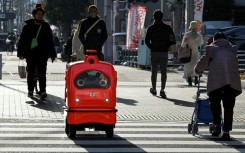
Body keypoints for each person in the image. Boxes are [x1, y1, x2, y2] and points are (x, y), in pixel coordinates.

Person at [194, 32, 242, 141]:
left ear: (215, 39)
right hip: (231, 82)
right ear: (225, 39)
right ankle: (226, 131)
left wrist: (197, 71)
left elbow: (202, 63)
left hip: (216, 81)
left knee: (214, 104)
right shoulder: (232, 49)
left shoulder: (212, 49)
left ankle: (217, 126)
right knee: (229, 107)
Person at [17, 4, 56, 99]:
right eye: (38, 14)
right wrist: (20, 53)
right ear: (34, 15)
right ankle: (30, 90)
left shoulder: (46, 26)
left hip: (43, 54)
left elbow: (50, 41)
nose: (40, 15)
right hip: (30, 54)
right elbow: (22, 40)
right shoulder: (27, 26)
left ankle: (43, 91)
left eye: (41, 14)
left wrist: (52, 53)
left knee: (42, 73)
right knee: (30, 72)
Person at [145, 9, 176, 99]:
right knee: (164, 72)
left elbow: (147, 40)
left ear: (154, 17)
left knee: (154, 71)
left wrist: (152, 47)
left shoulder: (151, 28)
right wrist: (167, 46)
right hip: (164, 52)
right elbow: (172, 39)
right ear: (162, 17)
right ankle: (162, 89)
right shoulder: (167, 28)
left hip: (154, 52)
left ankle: (154, 89)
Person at [181, 21, 203, 86]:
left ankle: (189, 78)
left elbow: (183, 45)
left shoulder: (187, 34)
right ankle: (195, 78)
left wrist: (186, 42)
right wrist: (196, 39)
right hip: (195, 52)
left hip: (188, 53)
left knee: (188, 66)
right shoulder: (199, 35)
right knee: (196, 65)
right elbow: (200, 44)